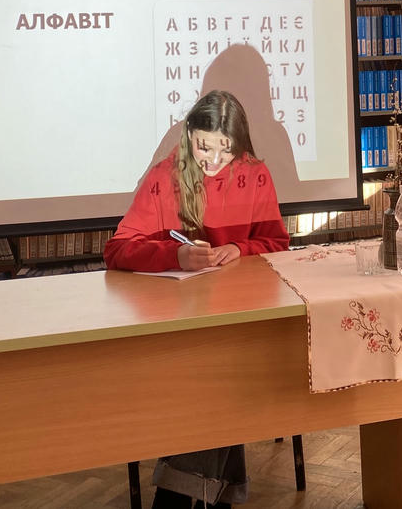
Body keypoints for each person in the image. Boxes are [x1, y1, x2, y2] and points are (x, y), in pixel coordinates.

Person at [105, 90, 290, 508]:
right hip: (178, 325)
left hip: (238, 319)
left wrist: (241, 248)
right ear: (190, 136)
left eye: (225, 150)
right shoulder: (164, 177)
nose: (213, 159)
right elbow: (117, 250)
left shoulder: (255, 174)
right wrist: (176, 255)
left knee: (224, 372)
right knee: (220, 378)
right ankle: (212, 496)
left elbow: (277, 243)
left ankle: (180, 496)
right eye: (204, 147)